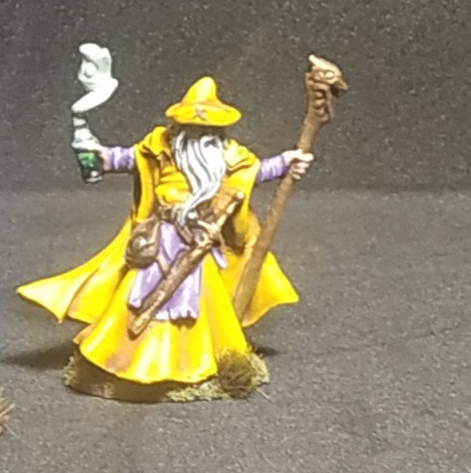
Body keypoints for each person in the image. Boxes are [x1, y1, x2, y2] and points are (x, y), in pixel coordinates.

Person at [18, 76, 312, 388]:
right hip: (161, 237)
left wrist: (286, 162)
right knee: (139, 294)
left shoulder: (230, 157)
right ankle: (124, 357)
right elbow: (125, 158)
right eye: (191, 128)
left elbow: (253, 172)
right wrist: (96, 154)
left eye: (206, 130)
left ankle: (198, 360)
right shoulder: (160, 146)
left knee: (202, 302)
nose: (198, 136)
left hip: (200, 240)